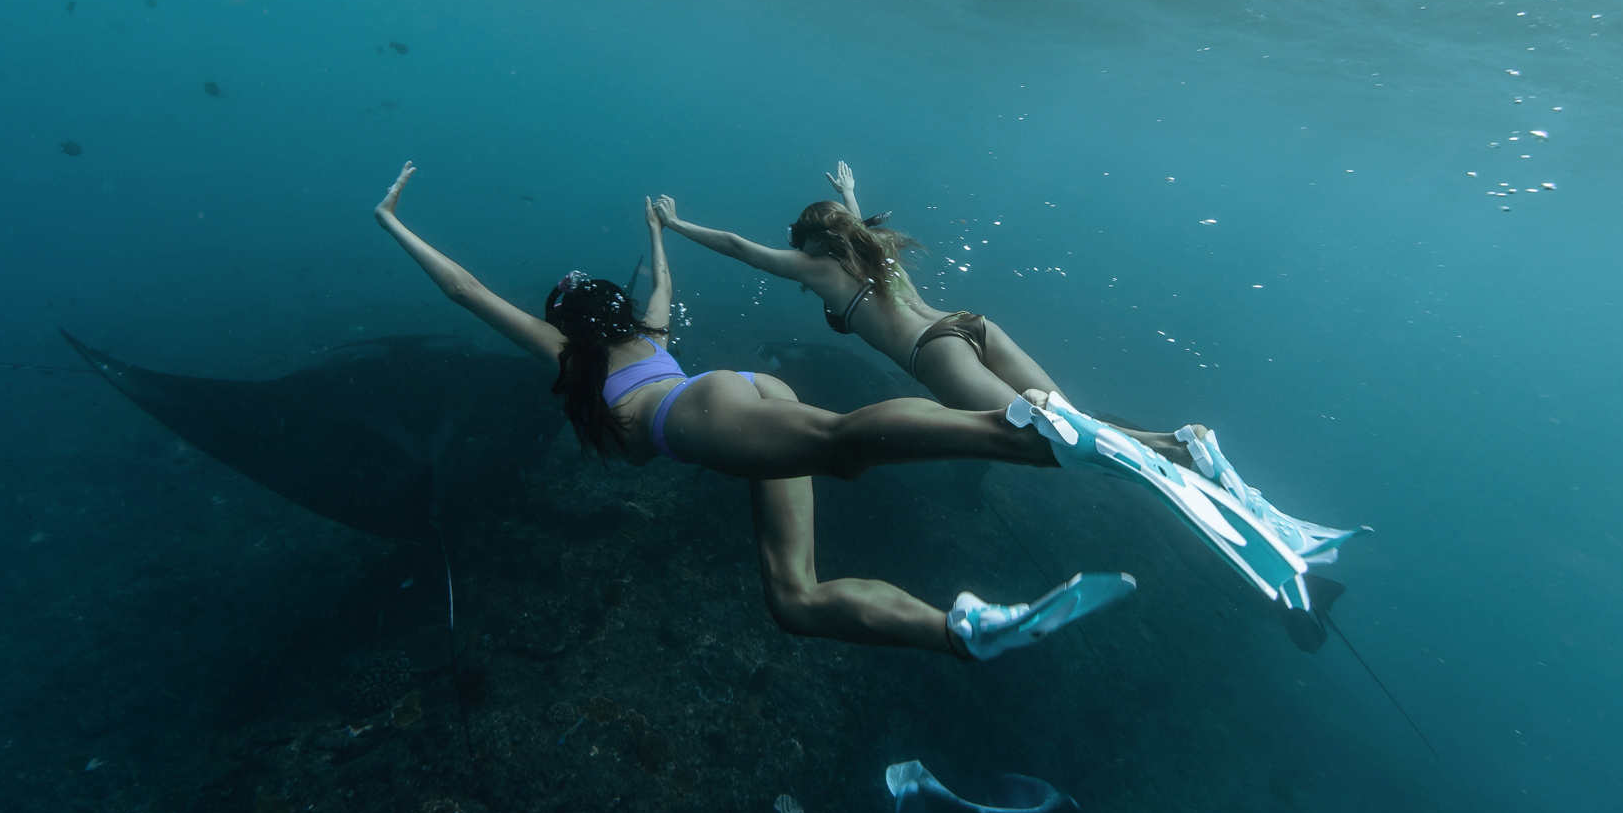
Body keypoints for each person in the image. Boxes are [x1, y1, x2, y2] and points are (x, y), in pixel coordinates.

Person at [372, 162, 1134, 661]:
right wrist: (655, 230)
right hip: (730, 399)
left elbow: (466, 290)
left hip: (698, 415)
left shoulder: (571, 356)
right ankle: (961, 629)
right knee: (793, 599)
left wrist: (393, 222)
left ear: (564, 319)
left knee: (840, 444)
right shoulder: (647, 327)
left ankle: (1018, 431)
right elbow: (664, 280)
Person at [654, 165, 1363, 611]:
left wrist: (674, 222)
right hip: (971, 327)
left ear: (811, 243)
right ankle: (1174, 445)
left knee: (1046, 443)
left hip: (937, 354)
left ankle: (1170, 448)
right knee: (1072, 421)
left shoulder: (818, 268)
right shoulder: (876, 252)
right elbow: (852, 227)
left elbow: (743, 249)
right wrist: (848, 194)